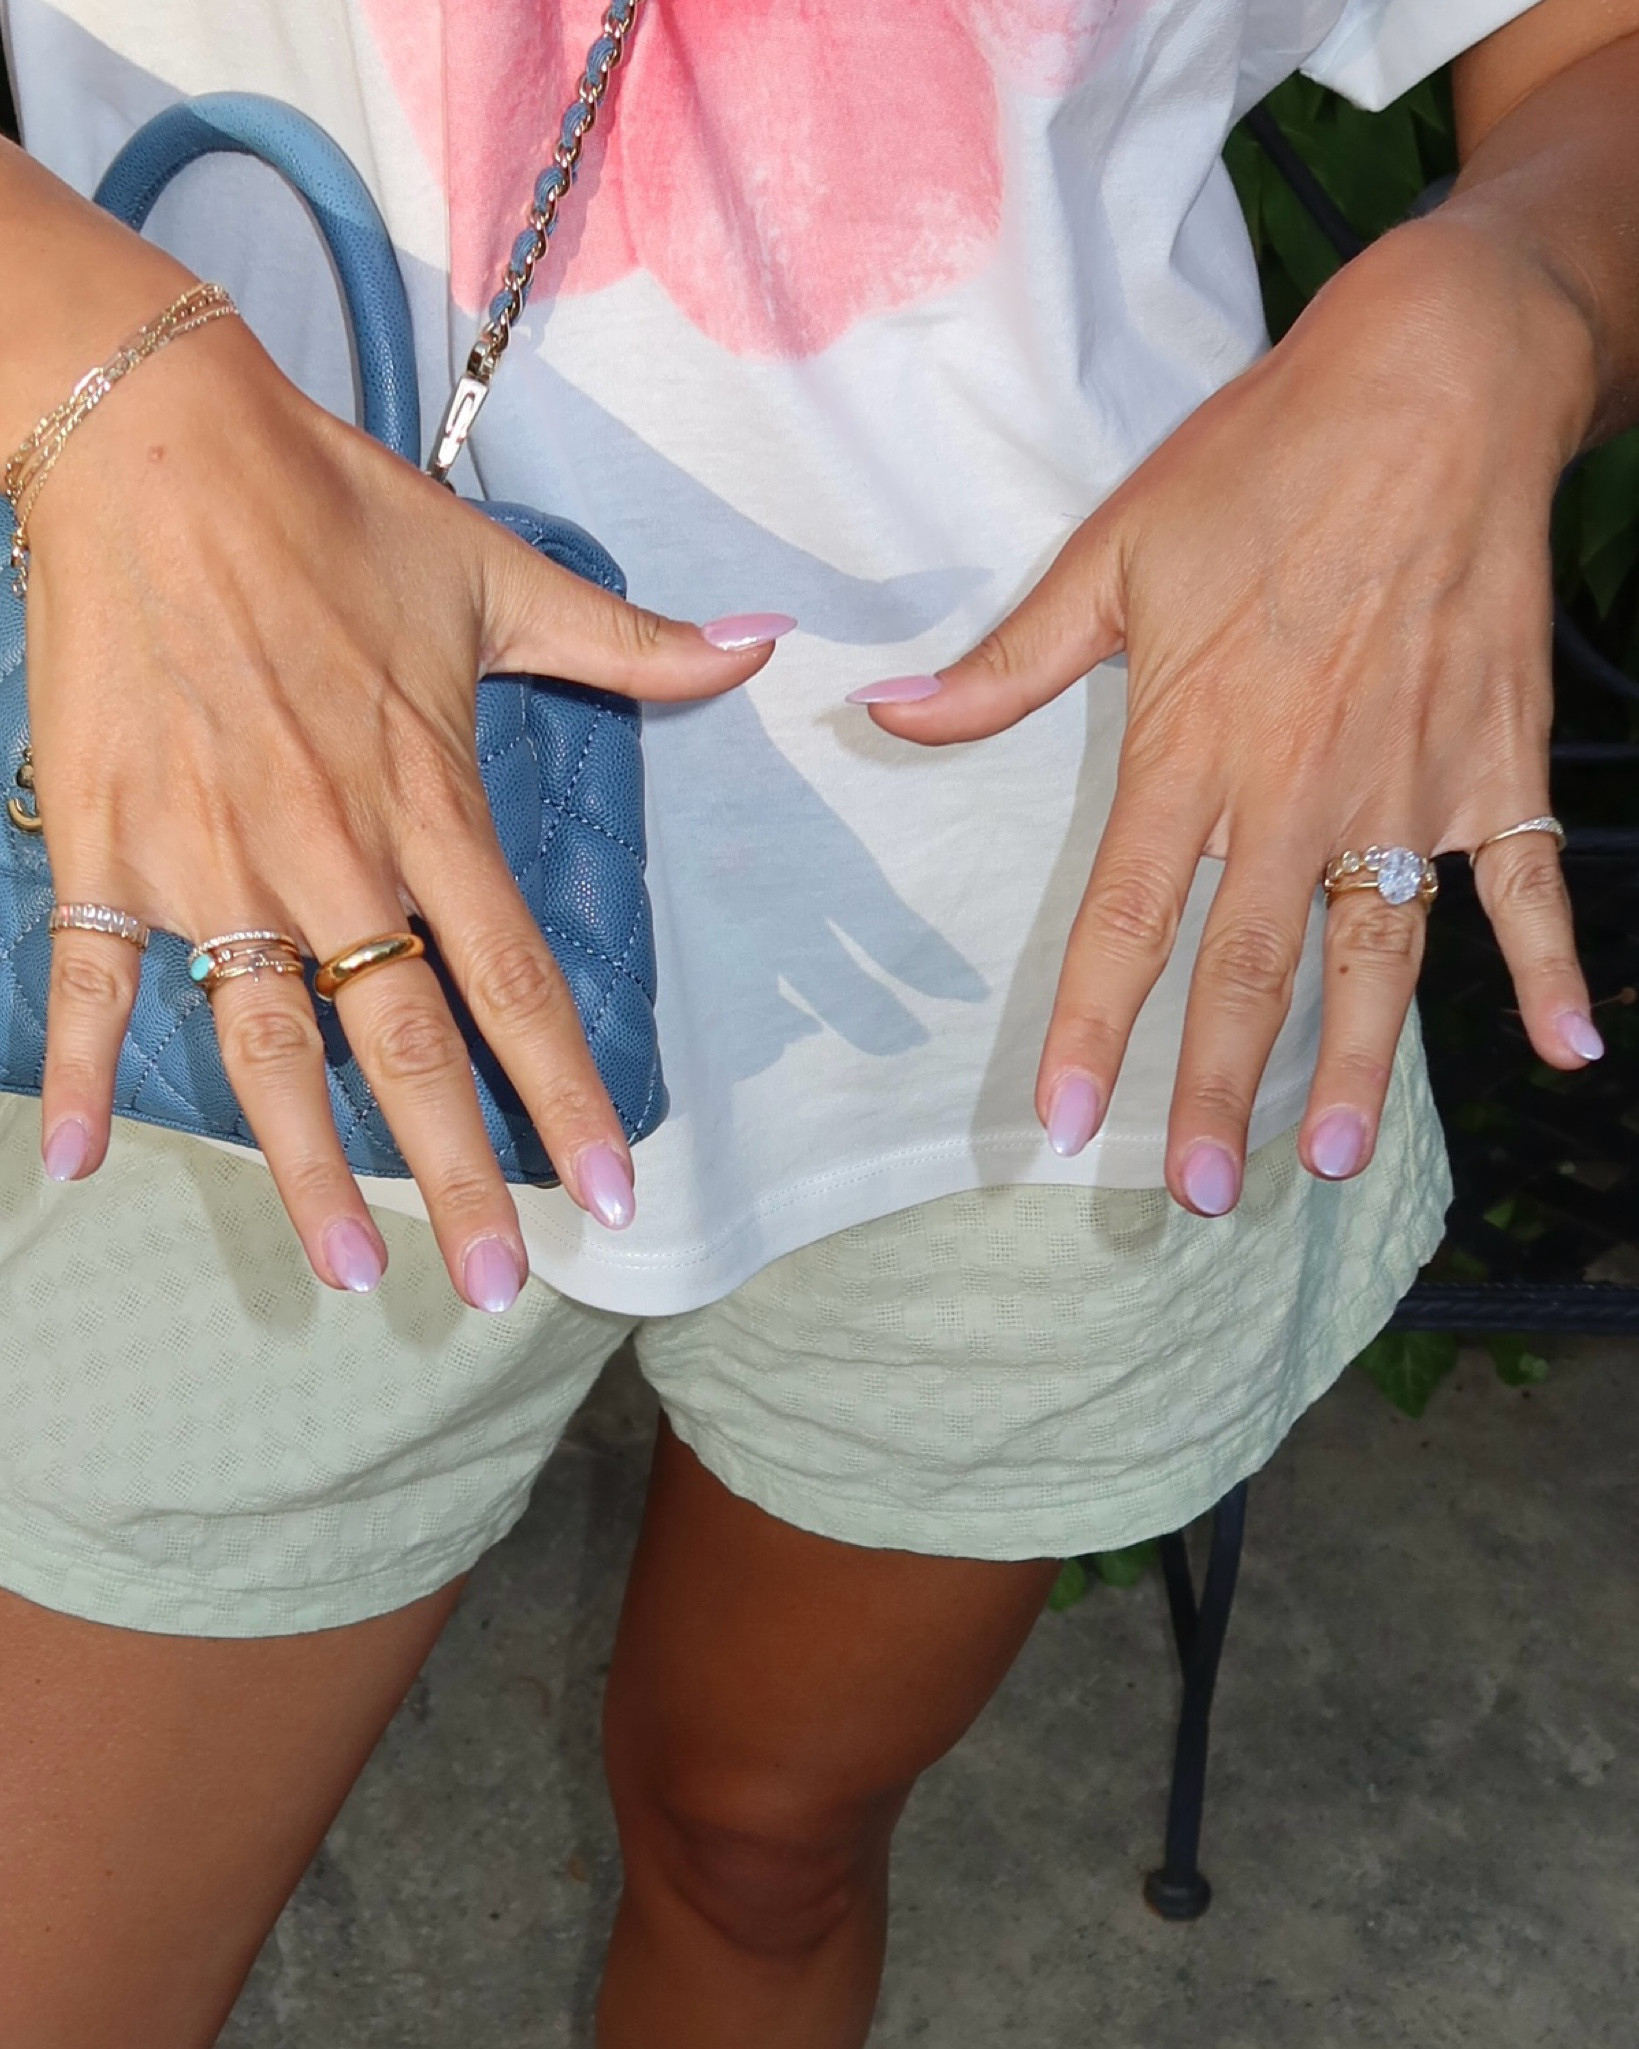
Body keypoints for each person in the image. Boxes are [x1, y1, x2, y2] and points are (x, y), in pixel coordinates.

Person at [0, 0, 1634, 2042]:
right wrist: (68, 343)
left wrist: (1516, 292)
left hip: (1061, 921)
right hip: (238, 865)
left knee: (761, 1841)